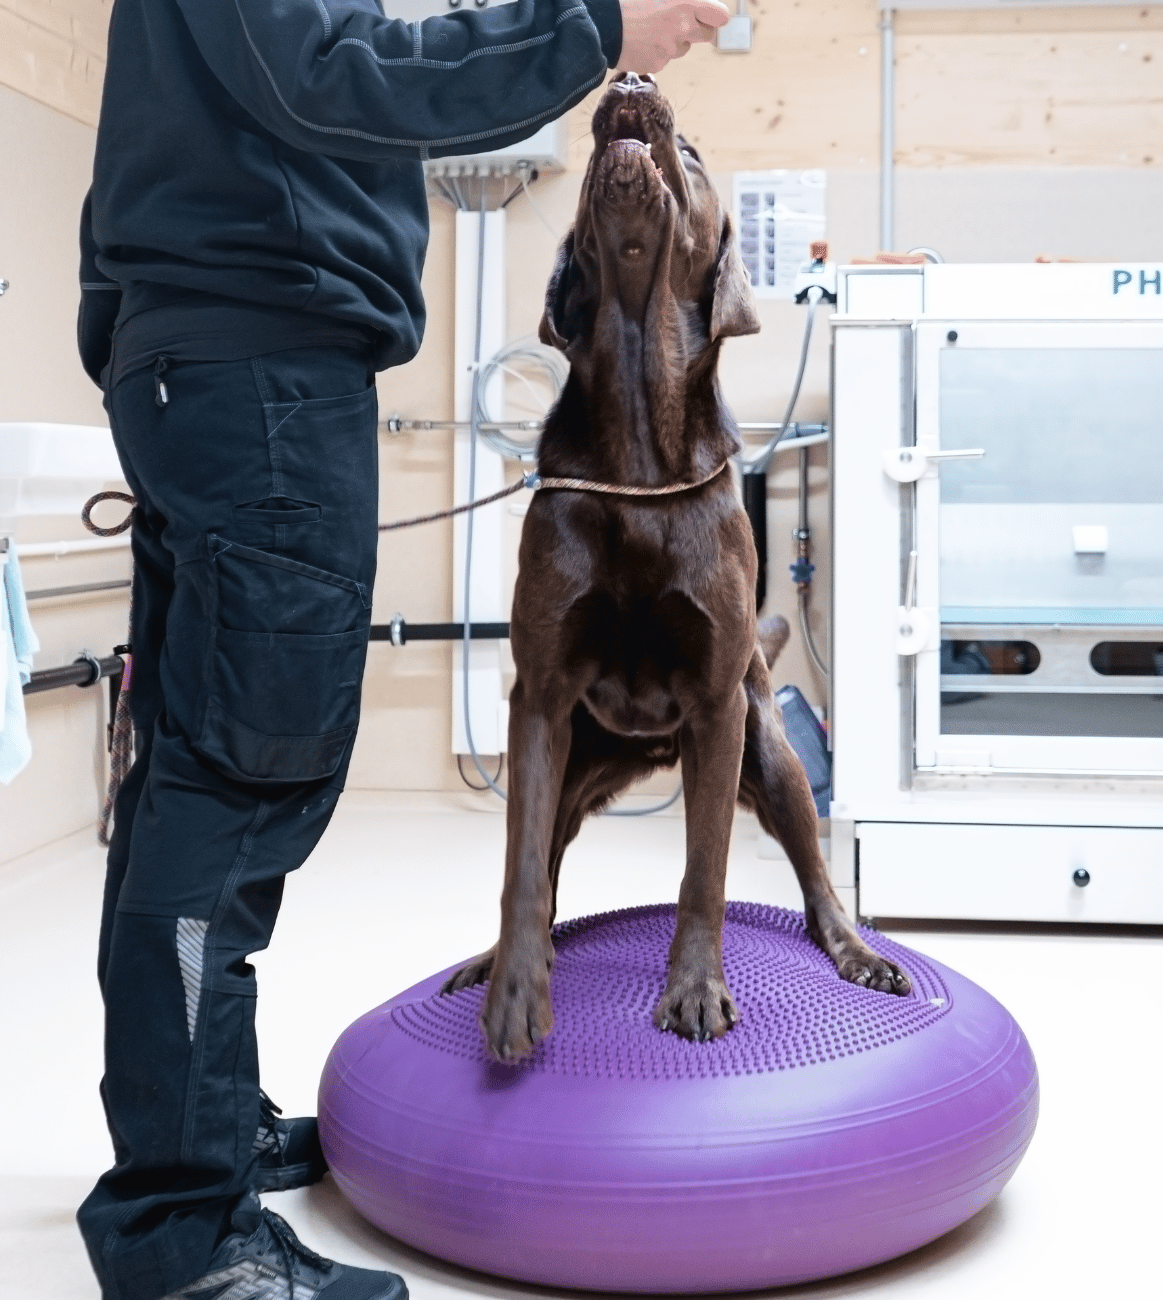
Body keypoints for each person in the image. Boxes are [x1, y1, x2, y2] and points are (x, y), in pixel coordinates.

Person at [73, 4, 729, 1299]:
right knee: (237, 786)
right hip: (261, 364)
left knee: (184, 783)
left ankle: (196, 1137)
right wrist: (595, 24)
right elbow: (335, 74)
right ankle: (186, 1233)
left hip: (210, 361)